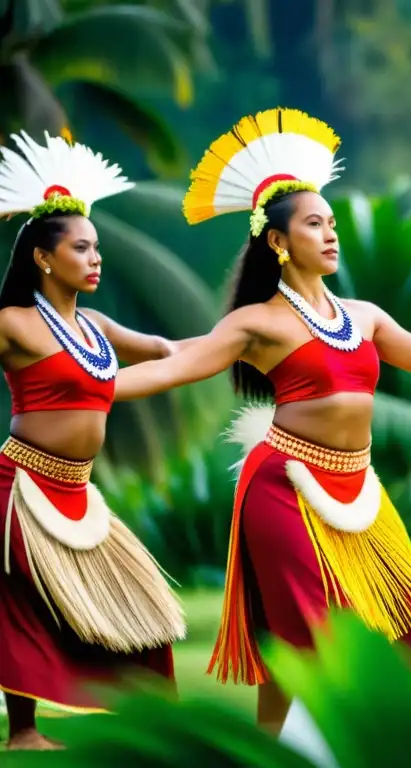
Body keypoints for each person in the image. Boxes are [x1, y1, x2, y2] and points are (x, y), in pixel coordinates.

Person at [112, 109, 411, 734]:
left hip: (358, 485)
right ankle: (283, 746)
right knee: (303, 631)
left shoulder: (363, 315)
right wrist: (93, 387)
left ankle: (394, 739)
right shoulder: (256, 322)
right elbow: (179, 367)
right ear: (278, 241)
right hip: (284, 484)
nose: (331, 234)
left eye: (333, 223)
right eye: (314, 224)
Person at [0, 131, 186, 751]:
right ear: (44, 259)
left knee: (142, 612)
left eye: (98, 247)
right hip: (21, 485)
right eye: (82, 248)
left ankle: (143, 727)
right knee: (22, 603)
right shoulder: (15, 324)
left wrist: (244, 345)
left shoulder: (95, 324)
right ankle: (23, 732)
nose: (96, 257)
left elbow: (166, 351)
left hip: (79, 492)